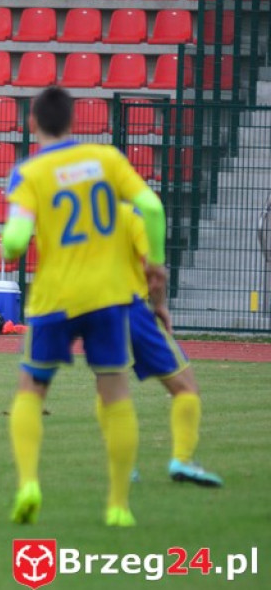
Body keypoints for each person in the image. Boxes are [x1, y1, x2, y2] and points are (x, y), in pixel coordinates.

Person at [1, 86, 168, 527]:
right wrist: (156, 264)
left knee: (31, 390)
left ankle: (29, 483)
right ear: (74, 121)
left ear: (32, 122)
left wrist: (9, 247)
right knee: (113, 389)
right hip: (109, 295)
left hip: (56, 297)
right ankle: (118, 505)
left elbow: (16, 240)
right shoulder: (107, 159)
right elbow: (151, 206)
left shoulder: (30, 171)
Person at [115, 203, 222, 487]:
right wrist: (160, 305)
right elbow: (154, 271)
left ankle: (124, 468)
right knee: (186, 388)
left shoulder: (84, 219)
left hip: (94, 314)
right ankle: (183, 460)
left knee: (113, 393)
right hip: (131, 310)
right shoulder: (134, 214)